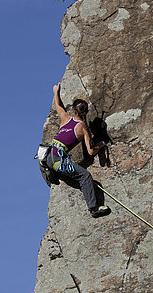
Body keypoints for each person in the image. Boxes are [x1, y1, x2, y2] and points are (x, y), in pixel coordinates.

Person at [45, 82, 111, 218]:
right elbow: (91, 151)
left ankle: (52, 172)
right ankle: (93, 208)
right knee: (85, 176)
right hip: (58, 161)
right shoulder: (82, 129)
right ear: (86, 112)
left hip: (46, 156)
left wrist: (55, 92)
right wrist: (102, 144)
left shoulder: (66, 118)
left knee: (61, 166)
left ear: (74, 111)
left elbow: (58, 106)